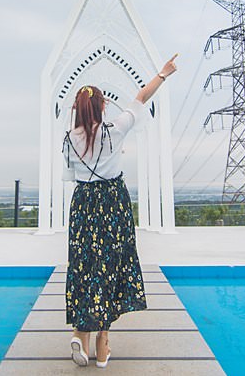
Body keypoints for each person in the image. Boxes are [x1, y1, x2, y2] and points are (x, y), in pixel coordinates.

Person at [63, 55, 178, 368]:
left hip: (83, 203)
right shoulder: (114, 129)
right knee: (111, 265)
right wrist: (163, 74)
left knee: (85, 266)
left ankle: (81, 332)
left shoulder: (69, 140)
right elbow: (140, 98)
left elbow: (71, 176)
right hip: (113, 201)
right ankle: (103, 343)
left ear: (77, 109)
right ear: (102, 106)